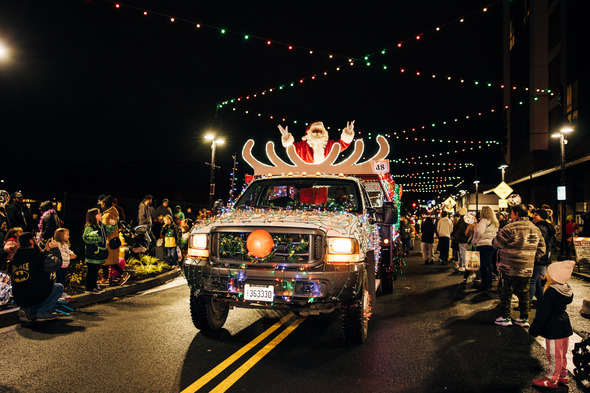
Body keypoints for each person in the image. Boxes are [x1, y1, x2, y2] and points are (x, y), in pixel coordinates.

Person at [493, 204, 546, 327]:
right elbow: (542, 249)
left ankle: (505, 317)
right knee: (524, 293)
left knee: (505, 292)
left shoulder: (509, 228)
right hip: (526, 268)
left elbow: (496, 244)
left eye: (511, 213)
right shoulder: (535, 229)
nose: (510, 216)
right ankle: (524, 318)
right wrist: (530, 258)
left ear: (516, 214)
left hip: (508, 267)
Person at [529, 260, 575, 389]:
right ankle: (562, 375)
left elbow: (543, 313)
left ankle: (551, 379)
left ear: (554, 276)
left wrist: (534, 329)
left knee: (554, 355)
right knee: (562, 354)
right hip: (563, 326)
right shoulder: (563, 290)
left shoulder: (550, 293)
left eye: (548, 272)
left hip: (553, 328)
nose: (546, 274)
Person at [11, 232, 63, 323]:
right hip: (34, 293)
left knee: (31, 288)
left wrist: (46, 251)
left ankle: (26, 309)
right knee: (58, 287)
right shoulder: (37, 256)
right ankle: (43, 313)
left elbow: (36, 264)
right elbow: (57, 264)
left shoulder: (16, 257)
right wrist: (55, 249)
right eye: (34, 239)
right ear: (31, 241)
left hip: (18, 296)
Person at [279, 120, 355, 164]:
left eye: (319, 131)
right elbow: (291, 149)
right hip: (306, 177)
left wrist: (347, 133)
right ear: (309, 133)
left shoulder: (329, 145)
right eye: (314, 131)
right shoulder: (302, 146)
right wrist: (286, 137)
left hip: (324, 177)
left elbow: (342, 144)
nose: (317, 133)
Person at [83, 208, 117, 294]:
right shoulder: (90, 227)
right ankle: (89, 288)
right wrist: (98, 238)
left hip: (98, 253)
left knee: (95, 271)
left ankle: (94, 286)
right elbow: (86, 237)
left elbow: (107, 231)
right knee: (91, 271)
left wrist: (113, 225)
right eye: (98, 213)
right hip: (93, 253)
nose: (101, 214)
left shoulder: (101, 225)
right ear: (94, 216)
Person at [99, 196, 130, 286]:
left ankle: (123, 274)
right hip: (113, 240)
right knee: (107, 261)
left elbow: (104, 230)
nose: (101, 205)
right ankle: (105, 279)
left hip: (108, 241)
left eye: (101, 203)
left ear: (104, 204)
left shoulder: (107, 215)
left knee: (110, 261)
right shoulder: (113, 214)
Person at [530, 209, 556, 305]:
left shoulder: (541, 228)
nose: (533, 216)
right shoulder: (545, 226)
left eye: (536, 215)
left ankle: (526, 303)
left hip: (539, 257)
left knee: (532, 281)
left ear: (541, 217)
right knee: (538, 281)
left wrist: (537, 255)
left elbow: (539, 243)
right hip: (543, 257)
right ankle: (542, 301)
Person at [471, 206, 499, 290]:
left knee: (483, 265)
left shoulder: (483, 221)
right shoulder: (494, 222)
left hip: (483, 244)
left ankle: (485, 283)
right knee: (488, 264)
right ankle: (488, 282)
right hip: (491, 245)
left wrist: (474, 241)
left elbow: (478, 232)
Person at [53, 228, 76, 300]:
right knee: (59, 280)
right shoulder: (58, 245)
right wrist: (69, 257)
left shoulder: (65, 244)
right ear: (61, 235)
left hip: (65, 265)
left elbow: (68, 251)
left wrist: (72, 254)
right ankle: (57, 294)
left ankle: (61, 292)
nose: (68, 236)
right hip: (60, 265)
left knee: (62, 279)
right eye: (67, 235)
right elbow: (61, 255)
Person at [453, 208, 470, 273]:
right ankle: (461, 265)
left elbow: (460, 229)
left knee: (463, 253)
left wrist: (456, 236)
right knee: (463, 252)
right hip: (466, 238)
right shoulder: (467, 219)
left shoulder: (462, 220)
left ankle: (463, 266)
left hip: (462, 238)